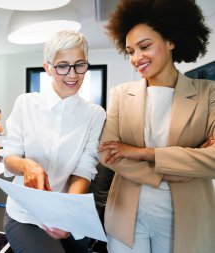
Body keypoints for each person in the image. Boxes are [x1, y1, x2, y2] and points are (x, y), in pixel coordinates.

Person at [98, 1, 215, 253]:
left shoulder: (208, 93)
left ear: (171, 41)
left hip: (185, 219)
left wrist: (143, 153)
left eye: (145, 46)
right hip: (126, 218)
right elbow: (107, 153)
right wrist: (174, 169)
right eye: (130, 51)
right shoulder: (120, 93)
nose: (136, 58)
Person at [3, 30, 106, 253]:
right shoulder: (26, 104)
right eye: (62, 66)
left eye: (79, 65)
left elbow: (84, 169)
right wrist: (27, 165)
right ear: (48, 67)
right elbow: (9, 158)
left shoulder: (95, 114)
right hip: (25, 214)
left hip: (67, 209)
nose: (72, 74)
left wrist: (66, 215)